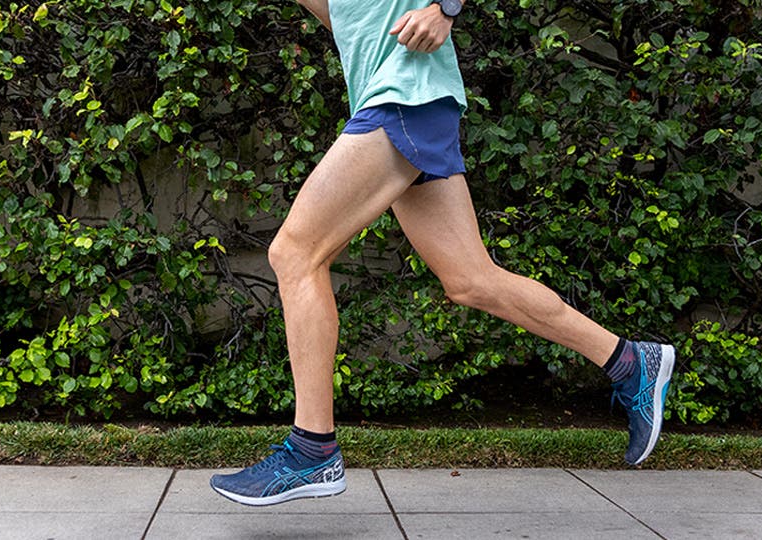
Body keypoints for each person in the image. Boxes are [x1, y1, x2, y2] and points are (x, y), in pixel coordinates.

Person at [210, 0, 675, 507]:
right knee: (471, 279)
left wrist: (445, 9)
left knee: (295, 255)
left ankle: (312, 451)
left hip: (404, 96)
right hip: (401, 98)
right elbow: (349, 18)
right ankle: (630, 361)